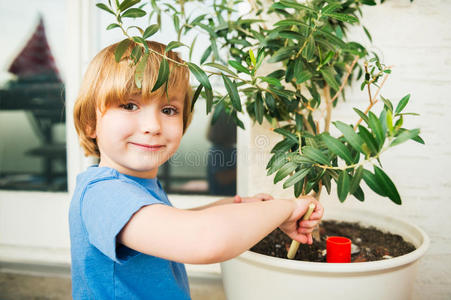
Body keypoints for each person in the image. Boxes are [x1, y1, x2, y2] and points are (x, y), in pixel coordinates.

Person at [69, 40, 324, 300]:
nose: (152, 125)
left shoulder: (132, 185)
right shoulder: (103, 194)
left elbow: (172, 221)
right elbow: (202, 239)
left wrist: (236, 204)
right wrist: (285, 208)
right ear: (91, 122)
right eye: (130, 105)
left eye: (168, 110)